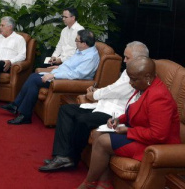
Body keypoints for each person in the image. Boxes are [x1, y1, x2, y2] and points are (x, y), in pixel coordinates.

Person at [39, 41, 149, 172]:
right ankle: (61, 155)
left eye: (127, 58)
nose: (124, 60)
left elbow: (117, 90)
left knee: (82, 119)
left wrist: (95, 94)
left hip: (116, 114)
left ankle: (71, 157)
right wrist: (96, 92)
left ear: (139, 59)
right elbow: (114, 88)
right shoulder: (128, 70)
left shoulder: (139, 74)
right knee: (66, 110)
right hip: (104, 105)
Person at [76, 56, 181, 189]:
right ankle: (104, 182)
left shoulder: (158, 97)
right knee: (98, 133)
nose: (130, 83)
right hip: (142, 134)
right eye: (130, 78)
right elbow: (135, 110)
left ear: (148, 77)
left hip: (156, 145)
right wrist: (119, 119)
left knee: (103, 142)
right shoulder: (143, 86)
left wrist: (127, 130)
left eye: (133, 79)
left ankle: (88, 183)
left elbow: (158, 135)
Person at [1, 29, 99, 124]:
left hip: (68, 81)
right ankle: (22, 113)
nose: (75, 42)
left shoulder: (90, 57)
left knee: (34, 79)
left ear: (84, 43)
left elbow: (76, 74)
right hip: (62, 74)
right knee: (34, 79)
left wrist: (54, 75)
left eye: (76, 40)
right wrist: (60, 67)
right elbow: (71, 64)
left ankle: (18, 108)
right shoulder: (82, 50)